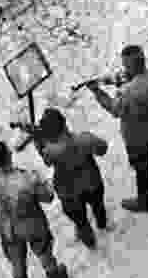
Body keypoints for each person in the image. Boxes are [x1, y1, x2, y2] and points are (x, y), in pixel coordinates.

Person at [87, 45, 148, 212]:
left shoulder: (126, 92)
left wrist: (98, 92)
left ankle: (144, 202)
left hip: (136, 137)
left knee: (142, 169)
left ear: (129, 67)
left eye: (125, 66)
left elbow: (114, 109)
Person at [0, 138, 68, 278]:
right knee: (44, 252)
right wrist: (43, 181)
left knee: (16, 261)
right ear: (7, 158)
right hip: (32, 224)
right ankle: (55, 276)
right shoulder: (25, 180)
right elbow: (48, 196)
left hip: (7, 226)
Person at [37, 107, 109, 249]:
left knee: (80, 221)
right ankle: (102, 223)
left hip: (68, 192)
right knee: (98, 205)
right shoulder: (84, 139)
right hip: (92, 182)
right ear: (64, 123)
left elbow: (47, 161)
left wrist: (39, 143)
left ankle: (90, 242)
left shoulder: (50, 150)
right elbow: (103, 148)